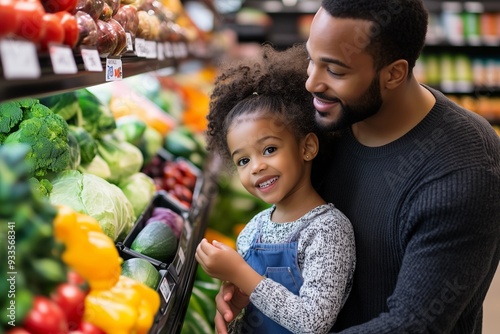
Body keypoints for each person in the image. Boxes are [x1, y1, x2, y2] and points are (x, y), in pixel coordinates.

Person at [214, 0, 500, 333]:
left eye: (334, 70)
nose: (311, 84)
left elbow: (412, 326)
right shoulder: (323, 121)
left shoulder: (464, 168)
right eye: (312, 60)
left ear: (394, 73)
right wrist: (257, 287)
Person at [195, 44, 356, 333]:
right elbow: (258, 304)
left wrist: (240, 273)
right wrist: (234, 309)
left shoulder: (328, 230)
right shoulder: (252, 232)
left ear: (307, 147)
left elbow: (313, 322)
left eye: (269, 149)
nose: (255, 166)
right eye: (243, 160)